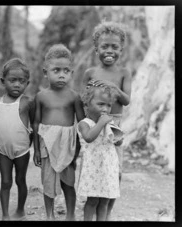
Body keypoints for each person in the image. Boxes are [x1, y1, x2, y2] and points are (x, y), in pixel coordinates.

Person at [81, 21, 132, 220]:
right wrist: (84, 125)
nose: (109, 50)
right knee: (94, 168)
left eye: (114, 47)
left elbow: (126, 100)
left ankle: (107, 211)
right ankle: (91, 205)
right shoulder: (90, 73)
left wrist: (114, 87)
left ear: (121, 49)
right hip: (93, 125)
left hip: (115, 125)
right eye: (104, 46)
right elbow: (83, 99)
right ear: (96, 49)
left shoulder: (123, 73)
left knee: (115, 172)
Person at [33, 44, 85, 220]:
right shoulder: (41, 96)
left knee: (68, 183)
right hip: (46, 144)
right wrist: (36, 150)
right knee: (48, 183)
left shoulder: (74, 97)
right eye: (56, 70)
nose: (62, 74)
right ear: (46, 72)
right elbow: (36, 123)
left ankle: (71, 215)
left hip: (67, 145)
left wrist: (77, 151)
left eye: (66, 70)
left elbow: (82, 124)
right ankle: (50, 215)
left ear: (71, 73)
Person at [0, 58, 35, 220]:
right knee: (5, 182)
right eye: (12, 80)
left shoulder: (27, 102)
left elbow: (35, 127)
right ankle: (5, 215)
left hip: (22, 151)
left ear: (27, 83)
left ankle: (20, 210)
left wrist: (34, 149)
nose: (17, 84)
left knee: (20, 180)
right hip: (3, 151)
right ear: (3, 81)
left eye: (22, 81)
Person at [77, 84, 123, 221]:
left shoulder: (109, 123)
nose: (105, 109)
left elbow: (118, 142)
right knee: (92, 201)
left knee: (104, 201)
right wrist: (101, 123)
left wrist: (117, 135)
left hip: (108, 167)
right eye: (100, 104)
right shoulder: (85, 123)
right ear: (87, 104)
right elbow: (89, 137)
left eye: (108, 105)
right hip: (93, 169)